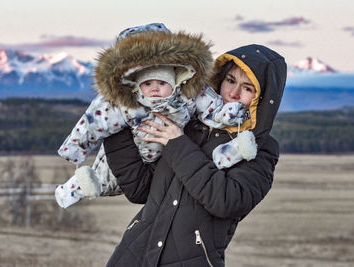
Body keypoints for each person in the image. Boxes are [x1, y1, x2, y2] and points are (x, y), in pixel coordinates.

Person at [102, 43, 287, 266]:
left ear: (263, 98)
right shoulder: (189, 124)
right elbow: (139, 189)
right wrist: (114, 126)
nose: (234, 93)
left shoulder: (258, 148)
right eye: (230, 81)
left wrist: (178, 144)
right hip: (133, 256)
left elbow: (227, 201)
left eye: (247, 88)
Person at [55, 24, 257, 209]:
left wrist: (229, 114)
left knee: (213, 158)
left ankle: (237, 149)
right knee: (101, 177)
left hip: (163, 163)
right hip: (138, 153)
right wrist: (74, 149)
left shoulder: (189, 95)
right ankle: (69, 192)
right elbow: (92, 123)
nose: (154, 89)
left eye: (161, 83)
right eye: (147, 83)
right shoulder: (120, 104)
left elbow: (212, 109)